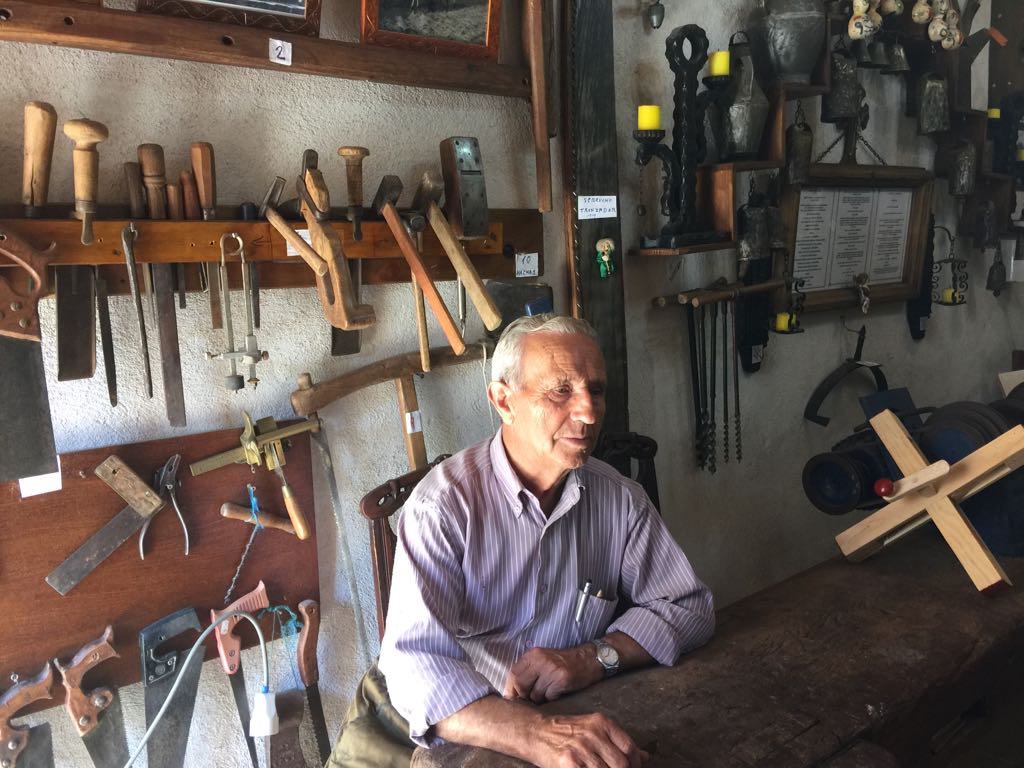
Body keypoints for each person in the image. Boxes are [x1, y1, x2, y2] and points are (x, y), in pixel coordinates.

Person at [329, 314, 715, 768]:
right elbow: (416, 665)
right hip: (417, 723)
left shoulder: (620, 501)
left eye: (595, 390)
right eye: (561, 391)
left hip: (557, 715)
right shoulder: (443, 507)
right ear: (503, 401)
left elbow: (689, 608)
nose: (589, 413)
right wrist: (535, 734)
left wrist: (591, 658)